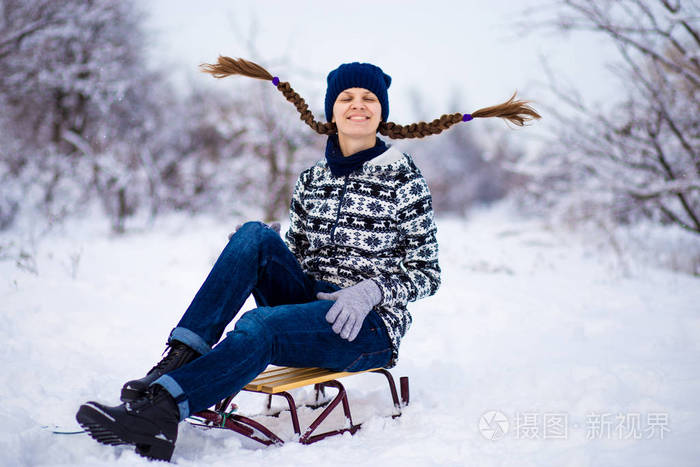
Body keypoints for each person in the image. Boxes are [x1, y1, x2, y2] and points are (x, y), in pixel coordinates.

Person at [76, 57, 540, 461]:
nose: (357, 105)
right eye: (346, 98)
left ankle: (162, 412)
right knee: (254, 235)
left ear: (381, 113)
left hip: (367, 328)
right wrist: (268, 254)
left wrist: (370, 292)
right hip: (311, 308)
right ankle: (174, 366)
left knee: (259, 327)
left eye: (368, 99)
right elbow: (296, 257)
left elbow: (427, 271)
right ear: (331, 111)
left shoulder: (403, 177)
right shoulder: (311, 179)